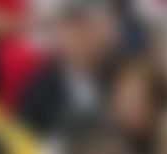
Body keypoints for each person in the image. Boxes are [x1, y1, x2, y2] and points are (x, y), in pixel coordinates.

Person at [16, 0, 120, 137]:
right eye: (75, 29)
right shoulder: (40, 91)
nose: (85, 39)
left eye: (91, 28)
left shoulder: (120, 77)